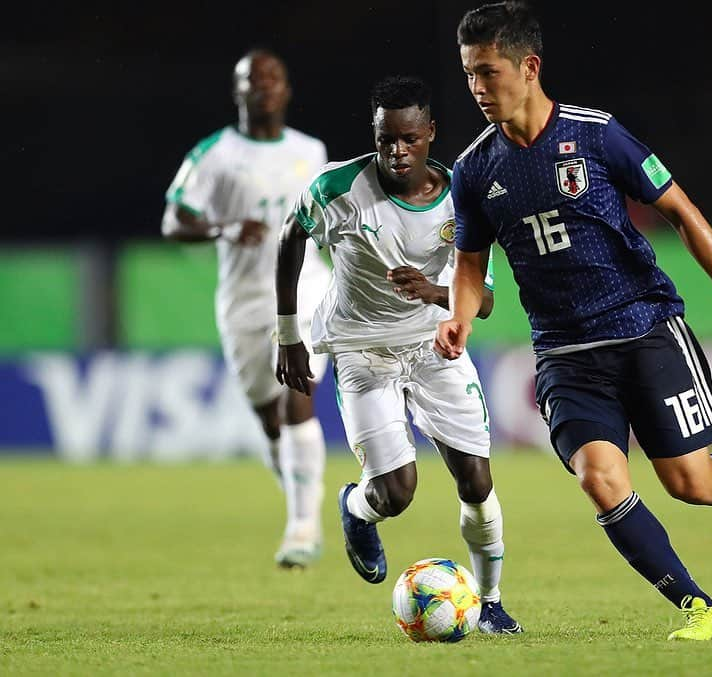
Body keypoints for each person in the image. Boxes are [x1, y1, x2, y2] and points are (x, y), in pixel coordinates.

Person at [436, 1, 712, 641]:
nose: (476, 89)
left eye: (488, 73)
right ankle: (702, 612)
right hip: (564, 355)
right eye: (468, 74)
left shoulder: (597, 135)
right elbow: (470, 264)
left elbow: (683, 212)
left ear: (529, 66)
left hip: (646, 330)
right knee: (600, 480)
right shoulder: (473, 170)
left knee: (687, 481)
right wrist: (461, 318)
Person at [275, 75, 522, 634]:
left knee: (476, 481)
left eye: (409, 138)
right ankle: (357, 509)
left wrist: (437, 293)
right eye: (386, 138)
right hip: (363, 351)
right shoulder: (336, 189)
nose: (396, 151)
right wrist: (288, 333)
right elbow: (291, 237)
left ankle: (491, 600)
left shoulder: (466, 195)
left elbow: (483, 301)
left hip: (435, 343)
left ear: (430, 133)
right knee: (397, 492)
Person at [162, 49, 331, 568]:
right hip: (243, 301)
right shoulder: (215, 154)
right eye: (252, 79)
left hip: (304, 292)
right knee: (270, 421)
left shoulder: (311, 151)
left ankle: (303, 526)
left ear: (287, 89)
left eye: (272, 78)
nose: (263, 86)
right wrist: (224, 228)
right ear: (237, 91)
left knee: (295, 399)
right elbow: (174, 219)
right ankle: (300, 502)